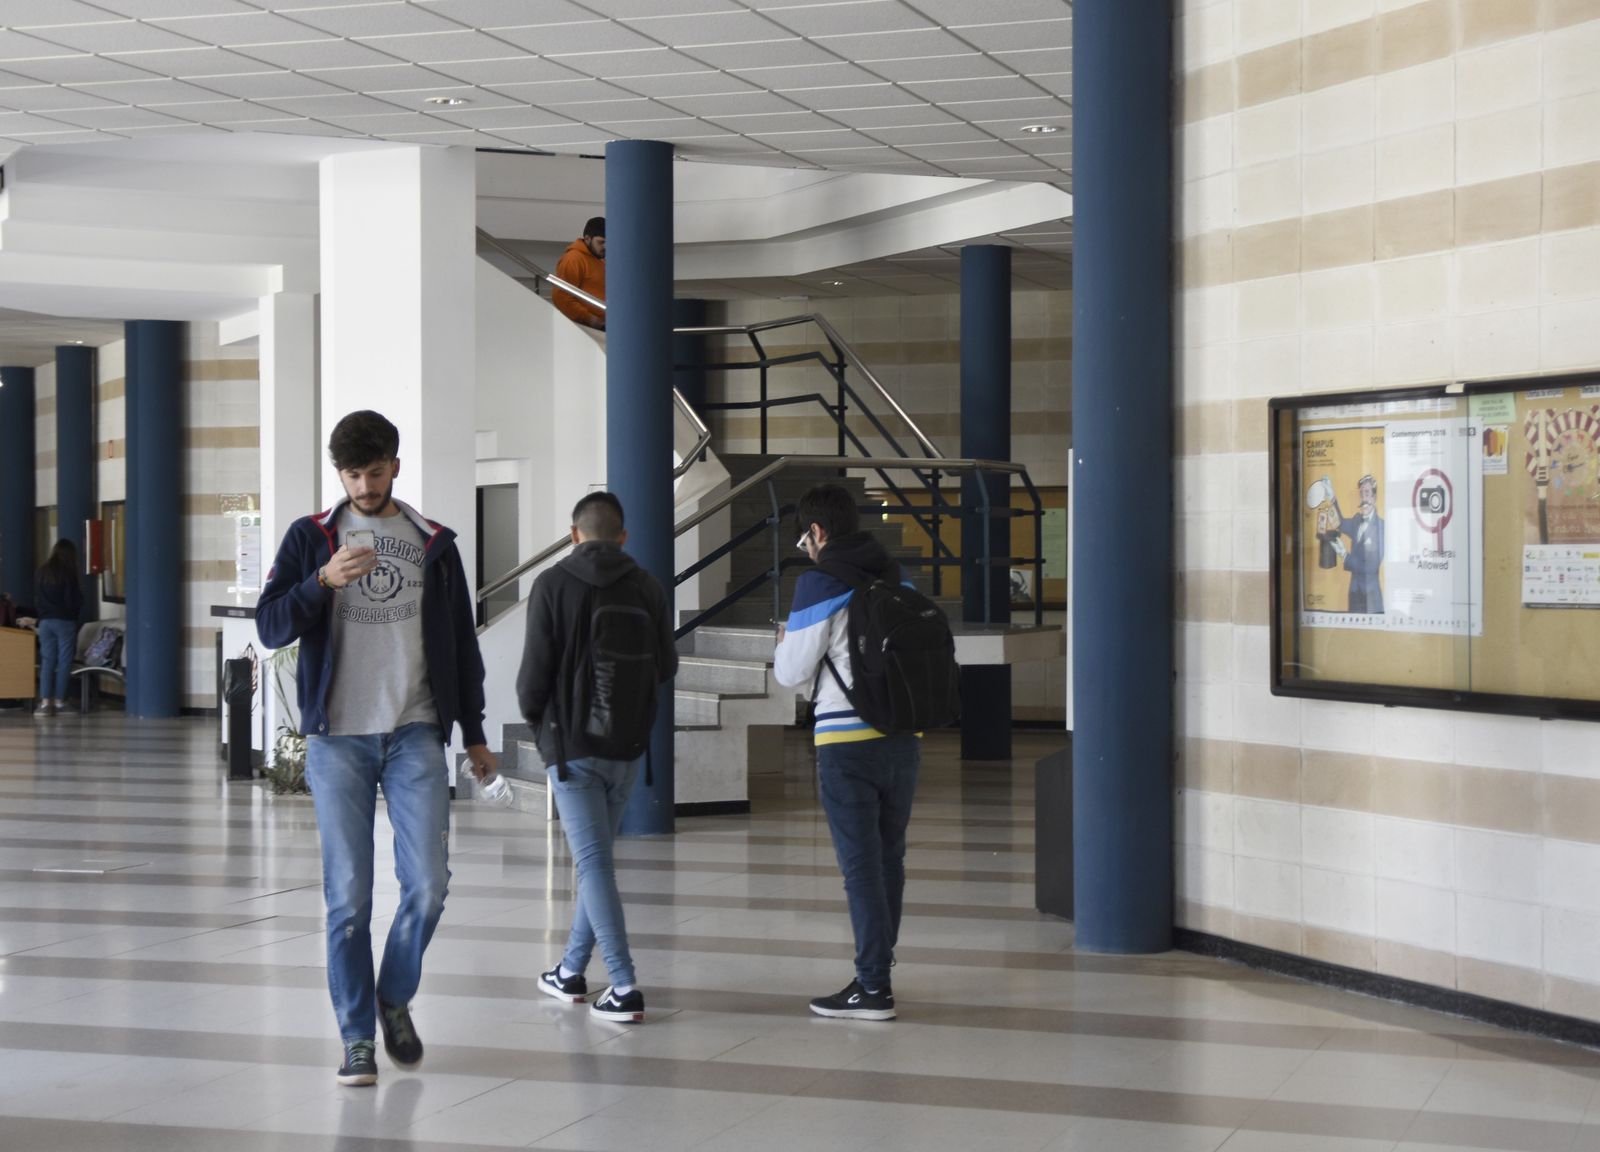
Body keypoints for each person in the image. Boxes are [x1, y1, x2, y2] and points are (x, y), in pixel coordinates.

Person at [256, 410, 496, 1087]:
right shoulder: (312, 538)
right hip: (339, 739)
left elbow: (461, 648)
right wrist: (322, 582)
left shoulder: (433, 543)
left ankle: (394, 994)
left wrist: (473, 732)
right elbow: (271, 625)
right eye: (352, 474)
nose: (364, 484)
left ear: (396, 464)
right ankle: (357, 1036)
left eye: (375, 470)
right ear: (340, 474)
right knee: (350, 899)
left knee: (428, 885)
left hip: (416, 730)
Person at [516, 491, 676, 1024]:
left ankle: (625, 984)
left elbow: (532, 679)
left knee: (592, 863)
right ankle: (569, 972)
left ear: (574, 534)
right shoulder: (649, 587)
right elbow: (666, 666)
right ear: (623, 536)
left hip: (573, 747)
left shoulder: (552, 584)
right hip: (627, 746)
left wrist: (544, 731)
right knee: (596, 862)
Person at [772, 484, 919, 1022]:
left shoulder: (819, 581)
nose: (806, 549)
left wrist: (786, 638)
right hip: (903, 739)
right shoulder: (896, 574)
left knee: (860, 867)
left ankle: (873, 986)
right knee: (889, 859)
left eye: (804, 539)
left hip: (845, 742)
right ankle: (878, 964)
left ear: (817, 532)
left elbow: (791, 673)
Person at [33, 539, 82, 717]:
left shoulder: (42, 572)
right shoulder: (68, 574)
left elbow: (37, 598)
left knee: (47, 661)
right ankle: (60, 702)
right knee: (64, 662)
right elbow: (72, 601)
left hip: (45, 622)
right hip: (64, 622)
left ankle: (45, 703)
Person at [1327, 473, 1384, 613]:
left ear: (1374, 498)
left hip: (1370, 598)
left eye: (1367, 493)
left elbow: (1370, 567)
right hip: (1353, 593)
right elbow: (1339, 523)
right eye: (1361, 494)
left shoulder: (1381, 527)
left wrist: (1344, 555)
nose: (1363, 498)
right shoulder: (1357, 520)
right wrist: (1331, 497)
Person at [552, 216, 606, 330]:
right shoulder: (573, 259)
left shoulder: (600, 258)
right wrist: (590, 319)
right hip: (586, 328)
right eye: (601, 242)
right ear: (587, 239)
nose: (606, 246)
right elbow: (561, 297)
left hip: (602, 325)